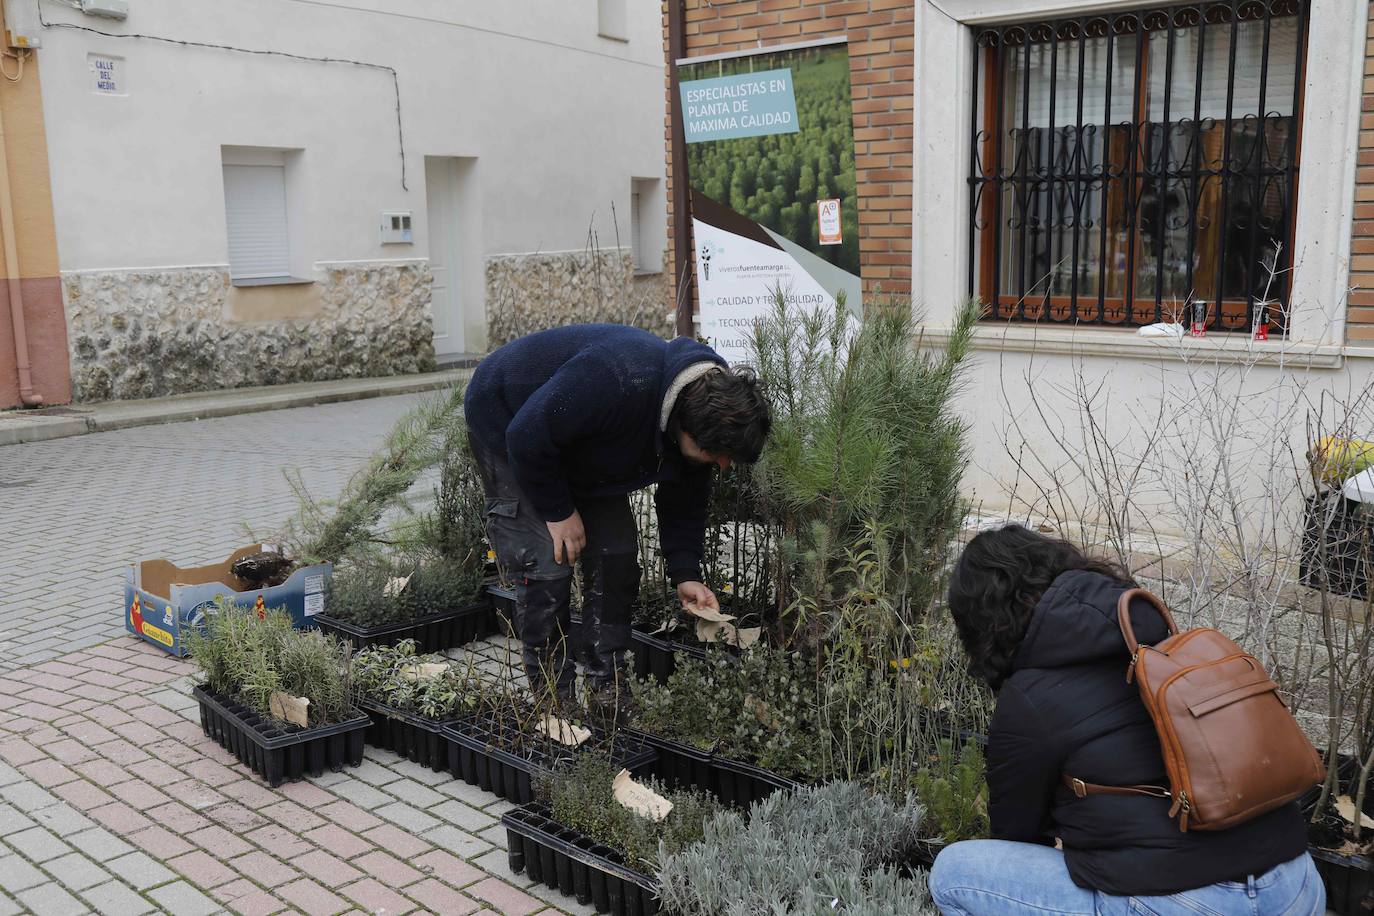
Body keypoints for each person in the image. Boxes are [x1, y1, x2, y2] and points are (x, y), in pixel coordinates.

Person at [929, 524, 1323, 915]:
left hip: (1194, 902)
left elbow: (1016, 837)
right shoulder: (1157, 640)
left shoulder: (1030, 698)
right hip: (1297, 884)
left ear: (984, 625)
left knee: (954, 874)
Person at [463, 323, 770, 718]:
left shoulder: (710, 407)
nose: (724, 465)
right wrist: (559, 512)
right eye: (716, 454)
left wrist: (685, 574)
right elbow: (528, 435)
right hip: (510, 422)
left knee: (618, 557)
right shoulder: (618, 379)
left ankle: (606, 685)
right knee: (546, 562)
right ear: (683, 426)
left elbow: (685, 500)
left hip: (581, 442)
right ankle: (553, 700)